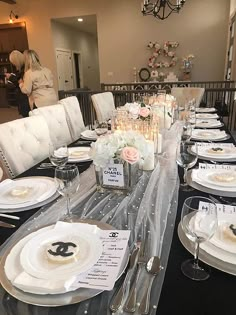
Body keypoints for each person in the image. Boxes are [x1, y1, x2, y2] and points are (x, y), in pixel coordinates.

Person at [5, 50, 30, 117]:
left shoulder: (25, 70)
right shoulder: (20, 69)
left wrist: (11, 77)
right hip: (21, 96)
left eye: (13, 62)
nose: (13, 64)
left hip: (25, 97)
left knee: (26, 115)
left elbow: (21, 82)